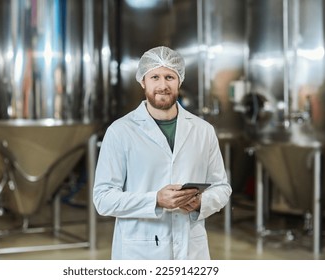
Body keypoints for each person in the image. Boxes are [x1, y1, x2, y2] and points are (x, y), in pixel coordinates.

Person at [93, 46, 231, 260]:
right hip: (140, 252)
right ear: (142, 82)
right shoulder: (120, 131)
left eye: (169, 77)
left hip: (191, 250)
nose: (162, 85)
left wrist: (201, 203)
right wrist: (155, 200)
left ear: (180, 81)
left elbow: (222, 187)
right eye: (154, 77)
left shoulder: (203, 131)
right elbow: (103, 199)